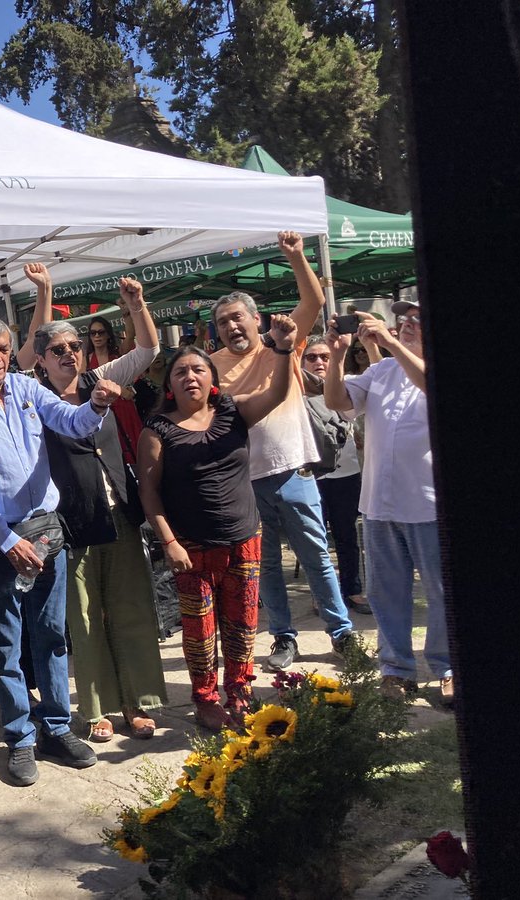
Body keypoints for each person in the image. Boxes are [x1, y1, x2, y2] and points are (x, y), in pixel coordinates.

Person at [0, 314, 123, 787]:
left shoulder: (27, 388)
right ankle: (19, 737)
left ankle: (56, 728)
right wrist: (5, 539)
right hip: (1, 540)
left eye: (3, 348)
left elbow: (72, 421)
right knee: (5, 642)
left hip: (47, 530)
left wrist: (97, 403)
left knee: (52, 634)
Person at [139, 315, 300, 731]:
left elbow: (278, 392)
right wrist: (168, 542)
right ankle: (206, 697)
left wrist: (282, 349)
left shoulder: (232, 411)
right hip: (190, 547)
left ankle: (240, 692)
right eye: (180, 371)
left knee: (243, 624)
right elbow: (149, 492)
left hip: (244, 538)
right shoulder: (157, 431)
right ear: (169, 386)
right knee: (198, 631)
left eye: (197, 369)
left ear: (212, 378)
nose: (189, 376)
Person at [209, 232, 354, 672]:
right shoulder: (211, 364)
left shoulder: (283, 342)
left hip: (294, 471)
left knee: (316, 558)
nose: (232, 327)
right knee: (265, 566)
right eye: (223, 323)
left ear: (256, 321)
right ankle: (283, 639)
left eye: (238, 319)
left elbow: (311, 301)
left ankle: (341, 632)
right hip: (244, 485)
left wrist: (295, 256)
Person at [34, 275, 167, 744]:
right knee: (85, 617)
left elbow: (149, 351)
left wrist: (137, 305)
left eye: (75, 345)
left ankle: (139, 700)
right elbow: (35, 340)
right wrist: (44, 296)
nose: (69, 352)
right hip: (72, 521)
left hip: (119, 510)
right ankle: (95, 708)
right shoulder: (35, 397)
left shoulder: (102, 378)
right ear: (43, 359)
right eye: (58, 348)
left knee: (130, 606)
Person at [322, 301, 452, 706]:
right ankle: (396, 670)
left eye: (416, 318)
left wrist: (393, 343)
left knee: (443, 592)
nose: (407, 324)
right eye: (403, 319)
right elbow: (335, 401)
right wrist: (338, 353)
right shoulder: (381, 371)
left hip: (429, 505)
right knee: (386, 593)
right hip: (379, 505)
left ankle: (449, 667)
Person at [300, 339, 370, 615]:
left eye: (325, 357)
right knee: (315, 540)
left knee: (347, 536)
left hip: (347, 473)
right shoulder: (295, 390)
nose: (319, 362)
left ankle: (352, 590)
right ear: (303, 362)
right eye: (312, 357)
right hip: (311, 476)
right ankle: (322, 595)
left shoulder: (348, 385)